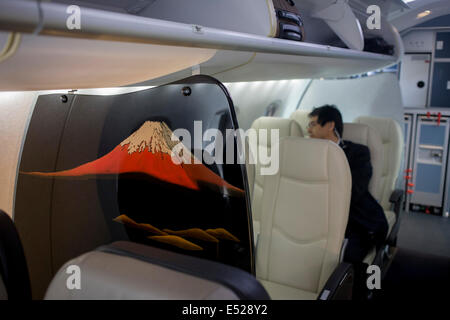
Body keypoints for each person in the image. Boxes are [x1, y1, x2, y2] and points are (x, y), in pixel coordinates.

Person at [307, 105, 388, 298]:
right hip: (319, 218)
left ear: (330, 125)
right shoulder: (306, 153)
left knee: (351, 259)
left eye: (312, 124)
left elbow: (355, 191)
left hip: (357, 220)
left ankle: (367, 289)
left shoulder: (358, 153)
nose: (308, 129)